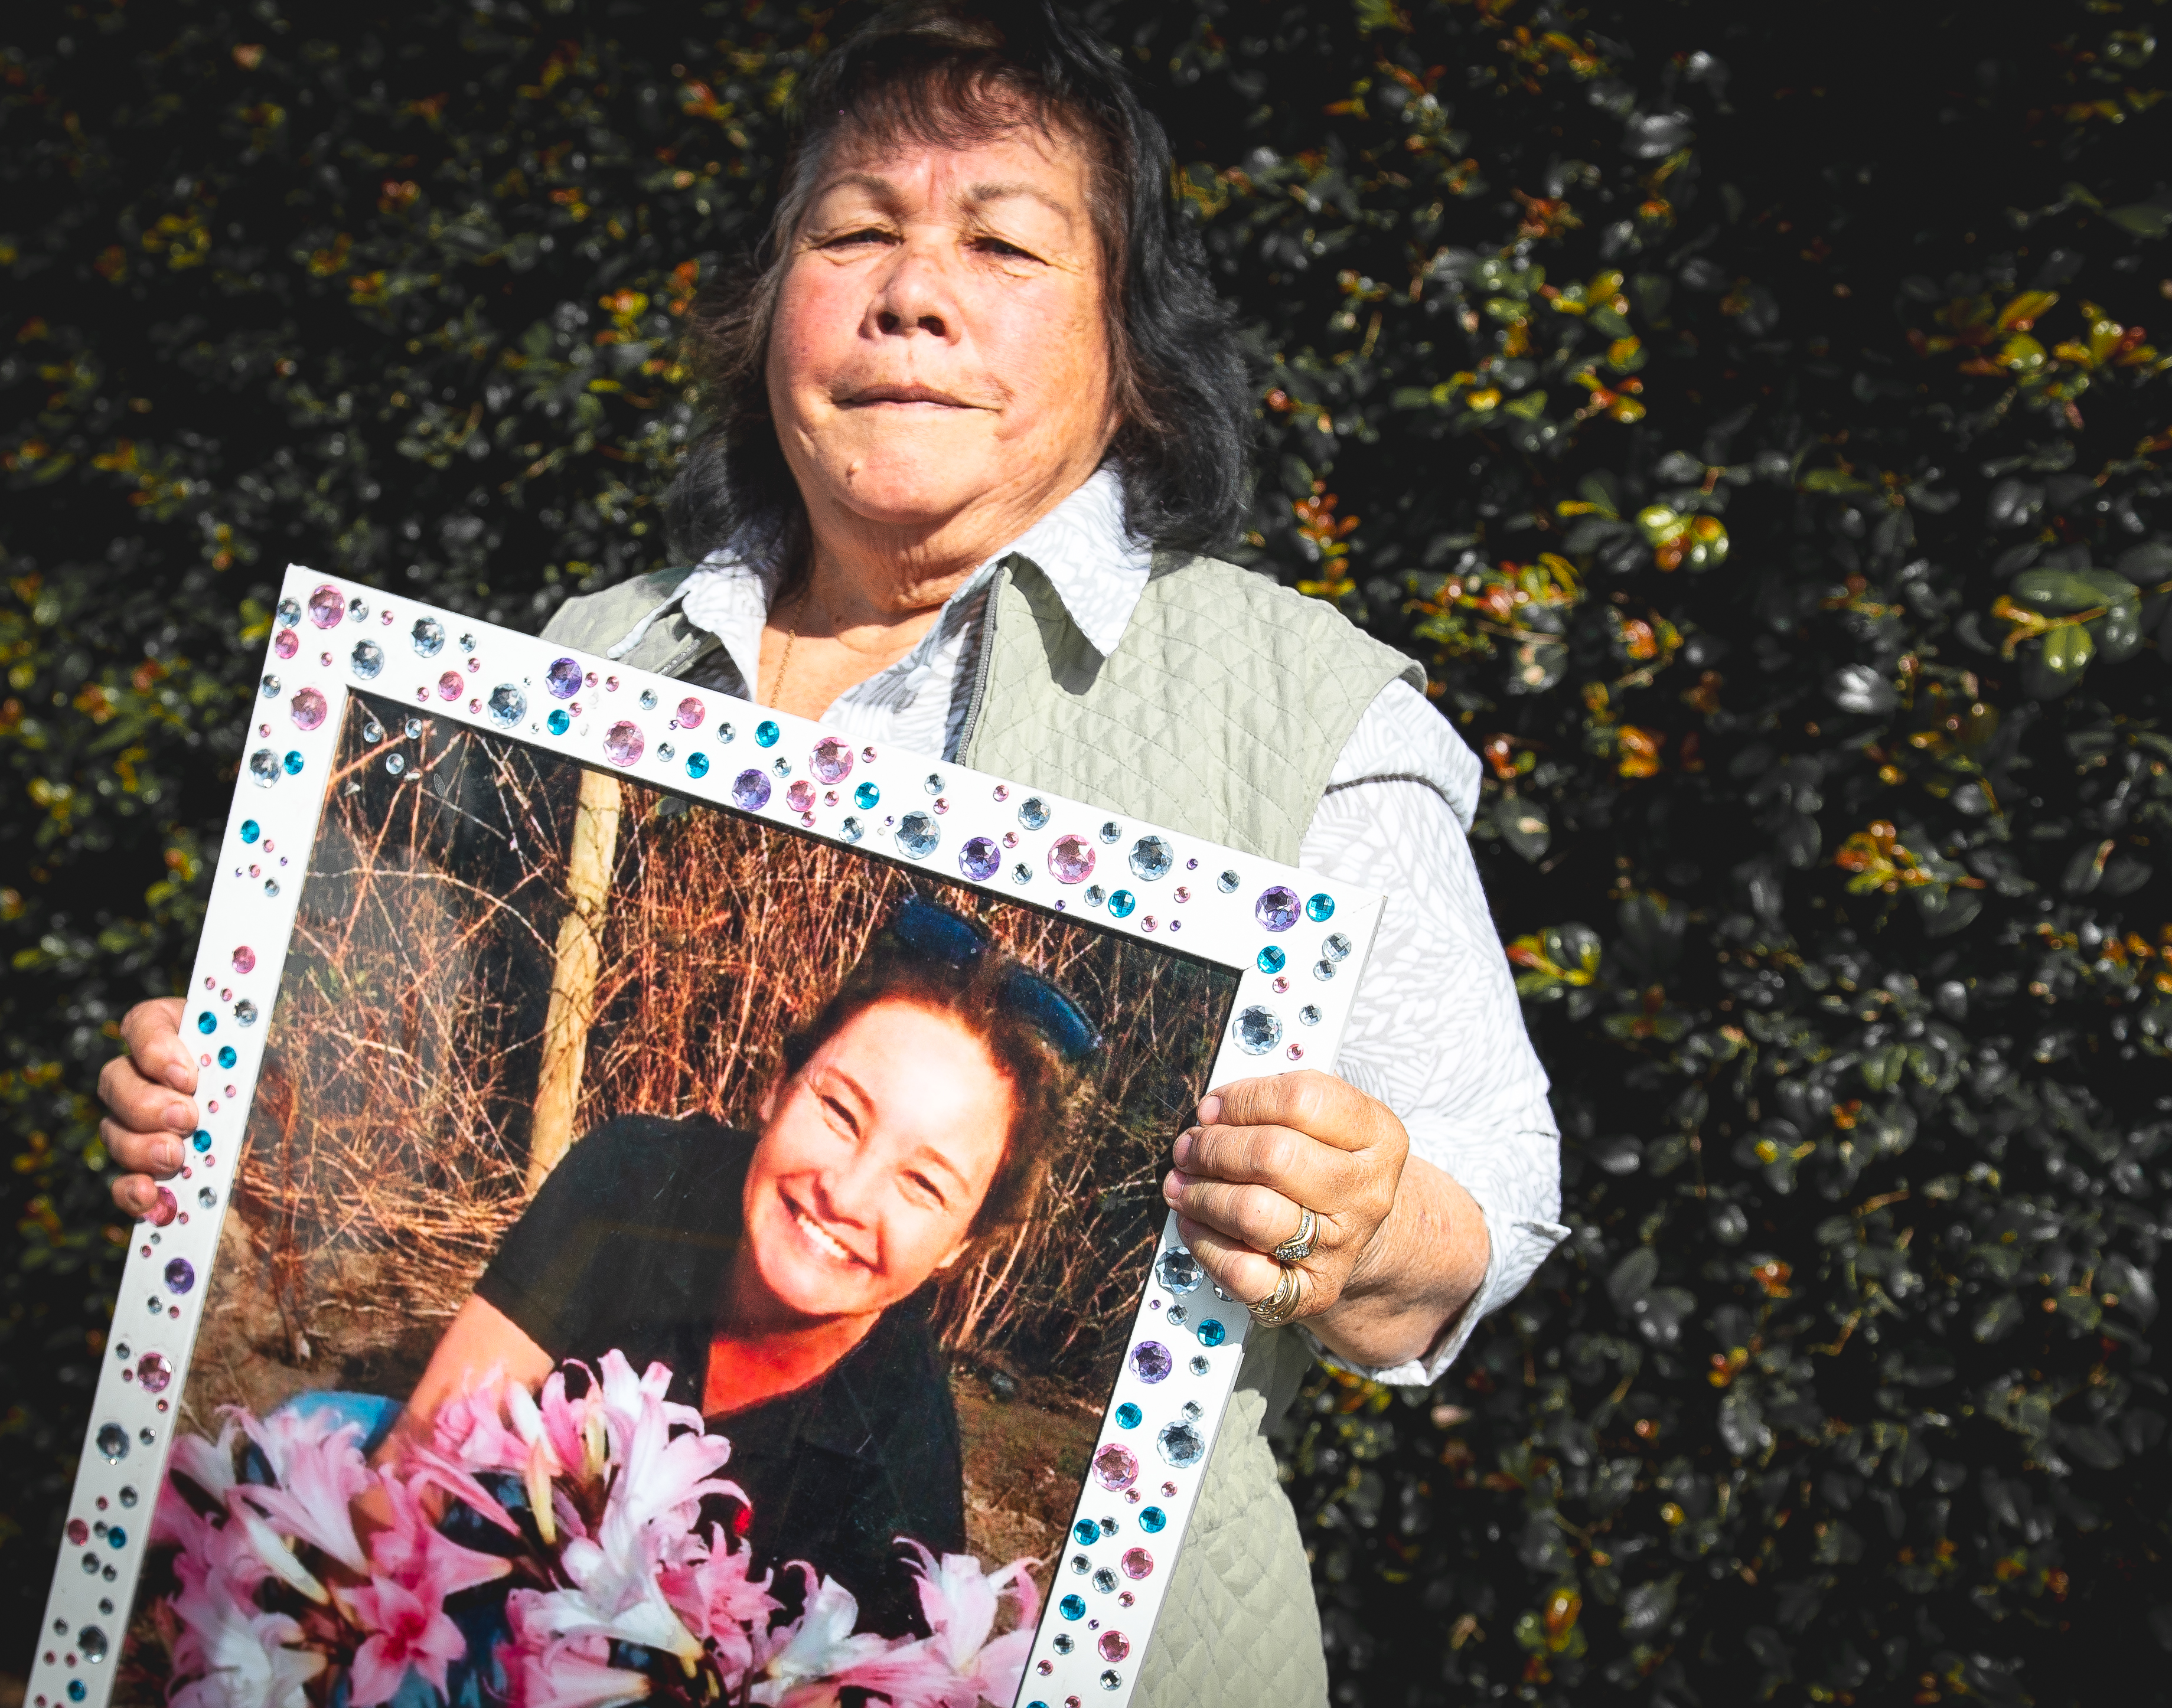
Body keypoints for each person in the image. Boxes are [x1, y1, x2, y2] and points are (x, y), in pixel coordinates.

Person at [98, 2, 1564, 1699]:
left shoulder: (1296, 707)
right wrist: (218, 1106)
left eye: (1002, 239)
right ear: (765, 308)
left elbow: (1492, 1203)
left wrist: (1363, 1210)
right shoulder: (593, 655)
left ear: (1132, 349)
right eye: (853, 229)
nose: (911, 289)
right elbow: (376, 1140)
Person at [322, 897, 1091, 1638]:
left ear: (961, 1243)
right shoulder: (632, 1179)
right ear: (776, 1089)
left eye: (923, 1184)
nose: (845, 1193)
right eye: (839, 1111)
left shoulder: (899, 1474)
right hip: (482, 1560)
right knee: (320, 1430)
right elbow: (419, 1467)